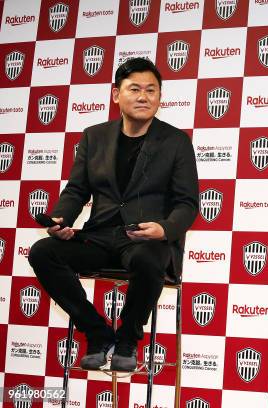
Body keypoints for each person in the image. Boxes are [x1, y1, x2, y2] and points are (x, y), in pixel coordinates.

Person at [28, 58, 199, 372]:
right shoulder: (95, 136)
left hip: (145, 241)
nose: (143, 96)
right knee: (43, 252)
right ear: (116, 94)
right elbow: (77, 190)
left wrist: (164, 229)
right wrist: (61, 220)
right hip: (100, 236)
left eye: (151, 90)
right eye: (134, 89)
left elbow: (188, 203)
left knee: (150, 258)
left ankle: (128, 339)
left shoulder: (176, 142)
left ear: (160, 97)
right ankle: (97, 332)